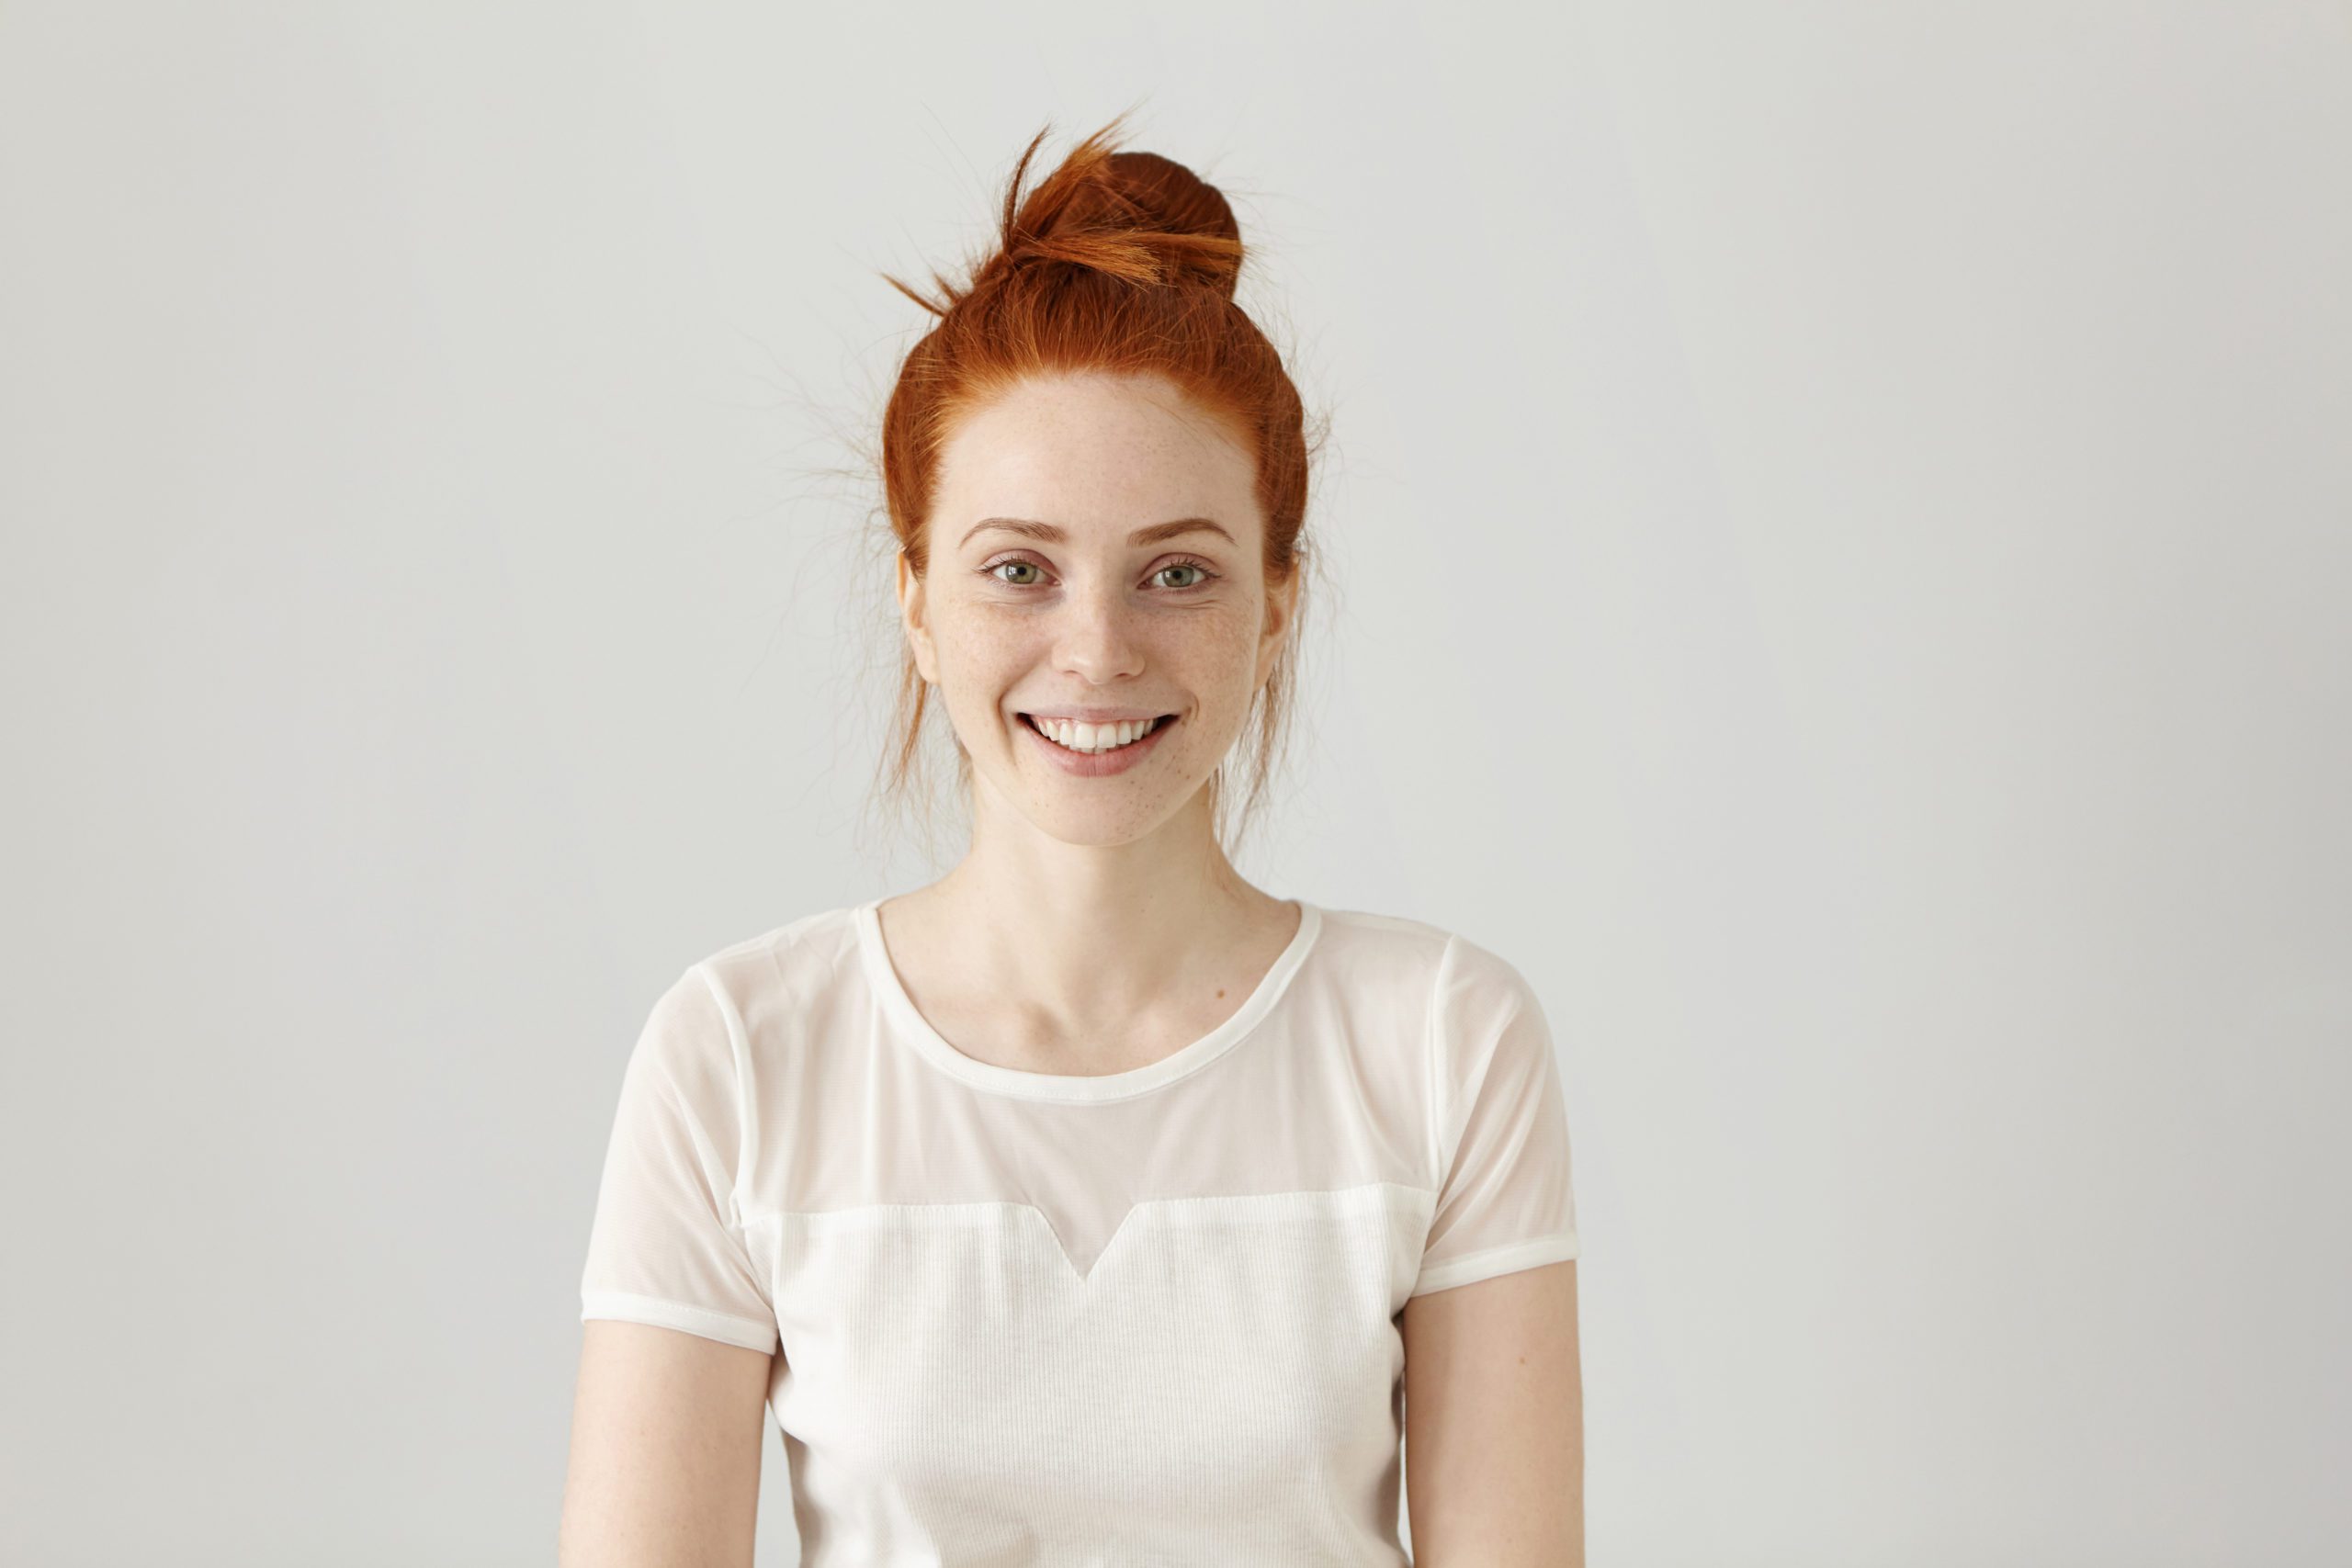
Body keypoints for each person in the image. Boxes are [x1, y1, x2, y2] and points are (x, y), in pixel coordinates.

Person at [559, 115, 1584, 1567]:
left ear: (1277, 606)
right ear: (917, 600)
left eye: (1177, 571)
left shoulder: (1438, 1040)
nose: (1096, 650)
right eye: (1018, 570)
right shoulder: (738, 1053)